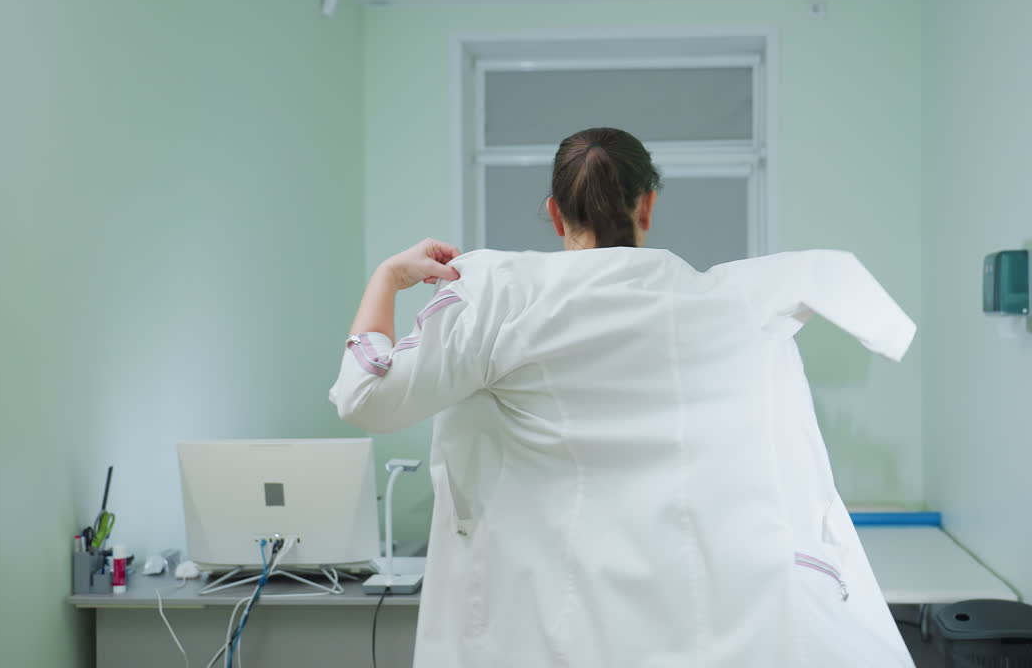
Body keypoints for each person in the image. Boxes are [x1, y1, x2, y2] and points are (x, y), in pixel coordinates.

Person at [330, 127, 917, 667]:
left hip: (542, 627)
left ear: (555, 213)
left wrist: (389, 277)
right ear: (647, 205)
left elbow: (366, 397)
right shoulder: (731, 310)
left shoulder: (499, 299)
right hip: (693, 624)